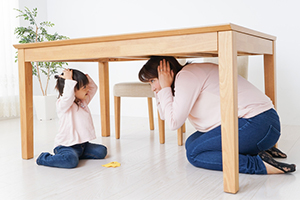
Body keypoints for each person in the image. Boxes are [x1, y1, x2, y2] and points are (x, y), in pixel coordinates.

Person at [138, 56, 296, 174]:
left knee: (194, 153)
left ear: (166, 73)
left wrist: (164, 87)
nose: (152, 88)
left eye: (152, 81)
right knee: (192, 142)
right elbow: (166, 115)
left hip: (259, 124)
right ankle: (258, 149)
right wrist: (161, 90)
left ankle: (259, 165)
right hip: (260, 125)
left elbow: (173, 123)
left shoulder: (186, 77)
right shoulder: (184, 78)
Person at [36, 68, 107, 168]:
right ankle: (43, 158)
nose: (87, 89)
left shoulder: (83, 102)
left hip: (82, 145)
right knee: (70, 161)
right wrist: (69, 80)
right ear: (72, 89)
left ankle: (77, 155)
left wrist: (86, 78)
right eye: (84, 87)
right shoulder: (63, 104)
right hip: (65, 146)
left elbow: (93, 88)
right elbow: (68, 96)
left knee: (101, 151)